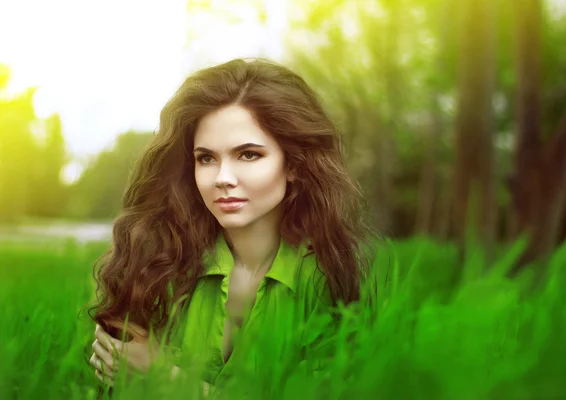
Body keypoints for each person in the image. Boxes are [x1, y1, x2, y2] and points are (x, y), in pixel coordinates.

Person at [86, 58, 377, 395]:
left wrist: (163, 375)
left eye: (249, 155)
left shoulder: (328, 278)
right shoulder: (157, 261)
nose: (223, 179)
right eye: (206, 158)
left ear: (294, 164)